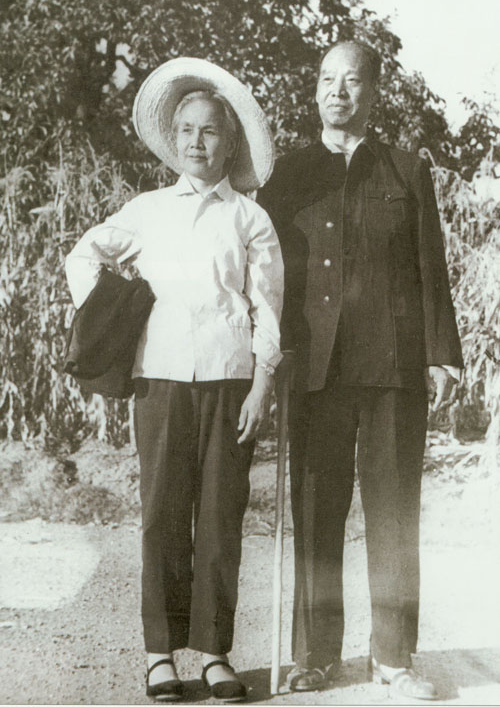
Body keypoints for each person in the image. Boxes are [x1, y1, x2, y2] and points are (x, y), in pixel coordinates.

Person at [66, 58, 284, 702]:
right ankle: (160, 654)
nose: (196, 141)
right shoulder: (147, 210)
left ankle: (214, 653)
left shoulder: (250, 218)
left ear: (230, 142)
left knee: (220, 516)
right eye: (186, 130)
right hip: (157, 382)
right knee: (162, 514)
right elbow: (84, 253)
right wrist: (111, 317)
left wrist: (263, 384)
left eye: (210, 131)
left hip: (229, 381)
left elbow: (268, 308)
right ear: (173, 138)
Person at [258, 40, 463, 700]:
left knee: (394, 512)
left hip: (393, 366)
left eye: (350, 81)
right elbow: (267, 272)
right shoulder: (288, 173)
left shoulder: (406, 169)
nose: (337, 92)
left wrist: (442, 352)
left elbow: (431, 265)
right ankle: (315, 655)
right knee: (317, 511)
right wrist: (270, 351)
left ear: (374, 91)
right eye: (326, 79)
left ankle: (394, 657)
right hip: (314, 366)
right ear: (316, 89)